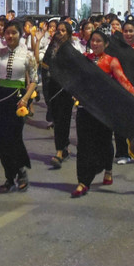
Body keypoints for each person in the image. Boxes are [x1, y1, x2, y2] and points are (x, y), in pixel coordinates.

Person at [71, 30, 134, 197]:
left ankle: (108, 167)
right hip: (85, 108)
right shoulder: (85, 59)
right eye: (93, 40)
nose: (95, 44)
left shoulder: (112, 62)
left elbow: (124, 82)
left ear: (106, 44)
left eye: (99, 41)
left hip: (104, 111)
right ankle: (83, 181)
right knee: (83, 145)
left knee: (104, 142)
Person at [0, 21, 38, 193]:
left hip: (18, 98)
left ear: (20, 34)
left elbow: (35, 80)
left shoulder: (28, 55)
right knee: (0, 139)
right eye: (7, 33)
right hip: (1, 97)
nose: (10, 36)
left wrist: (26, 99)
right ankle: (9, 177)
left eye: (14, 32)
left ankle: (21, 171)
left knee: (14, 137)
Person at [45, 21, 77, 169]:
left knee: (63, 120)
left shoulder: (73, 48)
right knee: (57, 119)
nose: (60, 33)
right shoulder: (52, 47)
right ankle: (63, 147)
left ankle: (59, 151)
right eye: (59, 30)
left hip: (66, 89)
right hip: (53, 87)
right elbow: (45, 65)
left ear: (69, 33)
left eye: (64, 31)